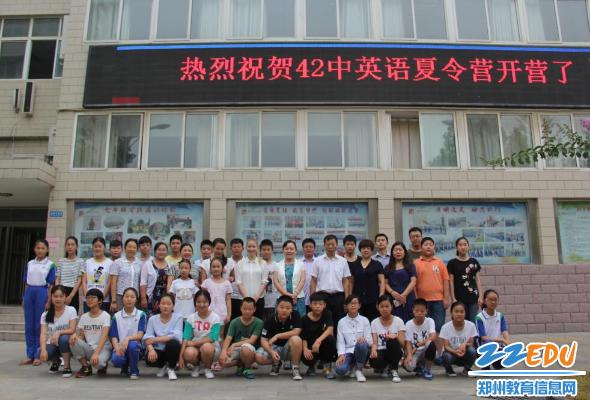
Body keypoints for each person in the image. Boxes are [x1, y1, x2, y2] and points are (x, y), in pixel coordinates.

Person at [21, 239, 56, 366]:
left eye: (43, 248)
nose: (40, 250)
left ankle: (37, 354)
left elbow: (51, 285)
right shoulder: (30, 263)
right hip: (30, 292)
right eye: (38, 248)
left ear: (47, 250)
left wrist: (49, 300)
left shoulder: (50, 264)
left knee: (38, 325)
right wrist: (24, 297)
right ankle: (29, 354)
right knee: (29, 325)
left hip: (42, 292)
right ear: (34, 249)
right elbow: (26, 281)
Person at [255, 295, 303, 380]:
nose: (284, 310)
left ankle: (295, 368)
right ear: (276, 307)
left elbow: (297, 331)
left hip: (289, 348)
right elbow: (263, 340)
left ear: (292, 309)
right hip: (275, 348)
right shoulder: (270, 319)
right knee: (259, 357)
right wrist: (271, 352)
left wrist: (277, 336)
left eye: (288, 308)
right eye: (281, 307)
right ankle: (276, 362)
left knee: (296, 339)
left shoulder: (295, 315)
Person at [179, 290, 223, 379]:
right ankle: (197, 366)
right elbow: (186, 338)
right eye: (199, 302)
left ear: (209, 302)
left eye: (204, 302)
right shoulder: (191, 318)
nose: (201, 304)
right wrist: (181, 356)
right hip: (196, 348)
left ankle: (207, 368)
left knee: (207, 347)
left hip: (212, 348)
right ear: (195, 303)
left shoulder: (215, 318)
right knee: (188, 353)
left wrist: (194, 343)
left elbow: (212, 338)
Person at [413, 237, 450, 340]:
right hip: (422, 301)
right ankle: (425, 348)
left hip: (438, 301)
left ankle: (438, 349)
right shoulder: (416, 263)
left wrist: (446, 298)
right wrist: (416, 299)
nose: (428, 247)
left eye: (430, 245)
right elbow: (413, 283)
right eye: (426, 245)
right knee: (424, 327)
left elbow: (446, 281)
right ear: (421, 248)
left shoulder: (440, 262)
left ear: (434, 247)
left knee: (439, 327)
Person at [70, 288, 112, 378]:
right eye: (88, 298)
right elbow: (81, 335)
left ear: (100, 301)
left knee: (98, 364)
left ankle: (103, 365)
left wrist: (96, 353)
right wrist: (76, 337)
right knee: (73, 340)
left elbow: (104, 336)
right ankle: (86, 366)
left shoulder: (105, 315)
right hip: (89, 347)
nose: (90, 300)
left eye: (93, 297)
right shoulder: (84, 317)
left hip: (103, 347)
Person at [310, 235, 351, 327]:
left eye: (332, 244)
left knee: (339, 321)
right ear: (324, 245)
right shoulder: (317, 260)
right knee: (322, 321)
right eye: (328, 244)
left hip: (338, 296)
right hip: (322, 296)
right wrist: (312, 298)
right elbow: (313, 280)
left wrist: (347, 298)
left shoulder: (343, 261)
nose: (330, 246)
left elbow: (345, 280)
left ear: (336, 245)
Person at [218, 297, 263, 379]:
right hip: (237, 350)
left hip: (251, 349)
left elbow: (252, 340)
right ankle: (240, 364)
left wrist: (234, 344)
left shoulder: (259, 322)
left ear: (254, 309)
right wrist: (223, 352)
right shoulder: (234, 322)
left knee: (245, 349)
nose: (247, 311)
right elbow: (228, 338)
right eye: (245, 309)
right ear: (241, 308)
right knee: (223, 362)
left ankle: (247, 368)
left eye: (250, 309)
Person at [39, 285, 77, 377]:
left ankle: (67, 366)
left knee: (63, 339)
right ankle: (56, 361)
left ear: (65, 297)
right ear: (51, 297)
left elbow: (72, 329)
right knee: (39, 352)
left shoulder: (71, 310)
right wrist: (43, 350)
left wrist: (58, 333)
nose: (58, 299)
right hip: (53, 344)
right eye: (55, 296)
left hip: (68, 344)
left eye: (61, 296)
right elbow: (43, 334)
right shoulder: (45, 314)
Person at [143, 293, 183, 380]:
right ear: (159, 305)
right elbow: (147, 338)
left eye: (168, 304)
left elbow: (176, 336)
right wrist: (151, 349)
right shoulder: (152, 319)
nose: (165, 306)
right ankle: (163, 366)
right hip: (159, 349)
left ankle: (171, 368)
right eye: (163, 303)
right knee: (149, 359)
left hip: (172, 349)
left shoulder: (178, 317)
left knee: (173, 343)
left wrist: (155, 339)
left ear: (173, 306)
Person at [109, 288, 147, 379]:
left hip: (136, 347)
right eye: (126, 297)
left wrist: (128, 338)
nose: (129, 299)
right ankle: (125, 367)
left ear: (136, 299)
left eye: (132, 297)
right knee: (116, 359)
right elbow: (114, 336)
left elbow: (140, 335)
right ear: (122, 298)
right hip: (121, 346)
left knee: (132, 346)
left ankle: (134, 371)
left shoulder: (141, 314)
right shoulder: (116, 316)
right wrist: (117, 348)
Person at [334, 294, 372, 382]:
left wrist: (364, 339)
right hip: (348, 352)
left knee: (362, 344)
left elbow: (369, 340)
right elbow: (340, 341)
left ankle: (359, 370)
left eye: (355, 303)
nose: (353, 305)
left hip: (362, 350)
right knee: (340, 370)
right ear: (346, 306)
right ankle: (352, 365)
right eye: (350, 303)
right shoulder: (341, 322)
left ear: (359, 305)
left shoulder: (365, 320)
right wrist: (341, 355)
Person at [369, 294, 405, 383]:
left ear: (391, 307)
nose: (384, 309)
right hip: (381, 351)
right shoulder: (374, 322)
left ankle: (394, 370)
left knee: (392, 341)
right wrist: (373, 350)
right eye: (382, 306)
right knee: (374, 361)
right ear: (377, 307)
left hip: (395, 351)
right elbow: (375, 342)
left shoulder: (398, 321)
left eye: (387, 306)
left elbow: (402, 344)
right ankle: (385, 367)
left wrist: (395, 336)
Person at [300, 292, 337, 379]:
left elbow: (330, 329)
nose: (317, 306)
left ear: (324, 305)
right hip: (310, 347)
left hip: (322, 345)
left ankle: (327, 368)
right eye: (315, 304)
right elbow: (303, 337)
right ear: (310, 305)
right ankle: (311, 366)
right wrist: (305, 349)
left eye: (320, 304)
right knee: (306, 355)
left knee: (331, 339)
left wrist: (318, 340)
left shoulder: (327, 314)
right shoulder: (304, 319)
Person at [447, 237, 483, 323]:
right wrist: (453, 298)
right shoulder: (452, 263)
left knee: (473, 322)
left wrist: (481, 296)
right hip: (459, 298)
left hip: (473, 297)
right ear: (457, 247)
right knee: (460, 322)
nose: (463, 247)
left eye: (465, 244)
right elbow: (451, 281)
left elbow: (478, 280)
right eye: (460, 245)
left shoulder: (474, 262)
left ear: (468, 246)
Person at [348, 239, 385, 322]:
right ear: (360, 250)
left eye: (368, 248)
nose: (366, 250)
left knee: (373, 321)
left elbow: (381, 282)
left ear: (371, 250)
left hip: (373, 299)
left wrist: (381, 296)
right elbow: (351, 282)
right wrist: (350, 297)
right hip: (358, 300)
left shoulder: (377, 264)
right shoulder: (354, 265)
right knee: (358, 321)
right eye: (363, 248)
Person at [439, 302, 479, 377]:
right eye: (456, 311)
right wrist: (455, 351)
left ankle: (467, 369)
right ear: (451, 313)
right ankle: (449, 370)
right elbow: (446, 346)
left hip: (465, 354)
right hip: (452, 354)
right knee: (446, 356)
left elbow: (471, 343)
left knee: (472, 351)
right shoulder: (445, 327)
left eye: (462, 312)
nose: (459, 314)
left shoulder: (471, 325)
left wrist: (464, 344)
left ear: (465, 313)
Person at [475, 289, 511, 370]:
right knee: (490, 346)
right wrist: (502, 340)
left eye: (495, 300)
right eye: (490, 300)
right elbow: (483, 337)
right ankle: (484, 364)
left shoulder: (500, 316)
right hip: (484, 346)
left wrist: (508, 341)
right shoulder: (479, 317)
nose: (493, 302)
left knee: (510, 355)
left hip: (497, 345)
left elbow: (504, 330)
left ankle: (496, 365)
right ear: (485, 301)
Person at [403, 298, 437, 380]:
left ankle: (427, 369)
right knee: (408, 366)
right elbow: (408, 342)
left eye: (422, 311)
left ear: (426, 311)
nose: (419, 313)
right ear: (413, 311)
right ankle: (419, 367)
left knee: (431, 343)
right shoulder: (408, 324)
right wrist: (409, 355)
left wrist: (418, 344)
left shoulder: (430, 321)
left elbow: (433, 336)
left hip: (425, 349)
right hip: (414, 352)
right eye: (417, 311)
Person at [235, 239, 268, 319]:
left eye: (253, 246)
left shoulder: (263, 263)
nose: (251, 249)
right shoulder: (240, 263)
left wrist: (256, 297)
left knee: (258, 322)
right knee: (244, 322)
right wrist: (247, 298)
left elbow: (264, 281)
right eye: (249, 246)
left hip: (259, 299)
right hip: (243, 299)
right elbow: (239, 282)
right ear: (246, 248)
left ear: (257, 248)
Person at [385, 242, 417, 322]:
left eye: (400, 250)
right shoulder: (388, 267)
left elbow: (413, 281)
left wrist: (403, 295)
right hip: (394, 298)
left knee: (410, 320)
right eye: (395, 250)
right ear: (392, 252)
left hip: (408, 297)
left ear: (404, 252)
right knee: (395, 321)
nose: (398, 252)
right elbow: (385, 283)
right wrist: (392, 292)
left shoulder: (410, 266)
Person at [274, 240, 306, 317]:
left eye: (291, 249)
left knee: (298, 319)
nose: (289, 251)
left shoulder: (301, 264)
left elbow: (302, 280)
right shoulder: (277, 265)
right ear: (283, 250)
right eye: (286, 249)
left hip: (298, 298)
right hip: (282, 298)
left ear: (295, 251)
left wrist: (295, 294)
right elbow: (276, 282)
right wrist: (287, 295)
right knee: (282, 319)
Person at [81, 237, 113, 312]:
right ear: (92, 248)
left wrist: (101, 298)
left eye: (100, 246)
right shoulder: (87, 262)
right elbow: (84, 281)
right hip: (88, 300)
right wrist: (87, 296)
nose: (97, 248)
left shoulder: (110, 263)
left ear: (104, 248)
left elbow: (109, 283)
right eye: (95, 246)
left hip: (104, 301)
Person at [110, 238, 142, 312]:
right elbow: (113, 282)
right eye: (129, 247)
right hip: (120, 296)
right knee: (120, 316)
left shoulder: (139, 263)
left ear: (137, 250)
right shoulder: (117, 262)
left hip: (134, 297)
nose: (131, 249)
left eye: (134, 247)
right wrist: (113, 300)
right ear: (125, 248)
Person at [140, 242, 171, 316]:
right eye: (159, 250)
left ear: (167, 252)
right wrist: (143, 298)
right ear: (155, 251)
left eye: (164, 250)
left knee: (164, 318)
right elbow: (143, 282)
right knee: (151, 318)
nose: (161, 252)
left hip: (165, 298)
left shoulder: (170, 265)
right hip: (151, 297)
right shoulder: (148, 264)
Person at [56, 236, 84, 313]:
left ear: (76, 246)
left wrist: (70, 296)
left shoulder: (80, 261)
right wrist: (58, 292)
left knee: (72, 315)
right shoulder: (61, 261)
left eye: (72, 244)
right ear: (65, 246)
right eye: (68, 244)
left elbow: (79, 280)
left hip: (73, 291)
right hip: (61, 291)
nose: (70, 247)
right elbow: (58, 278)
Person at [201, 257, 232, 324]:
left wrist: (229, 314)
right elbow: (203, 299)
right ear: (210, 269)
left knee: (221, 330)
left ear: (222, 268)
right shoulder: (206, 283)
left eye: (218, 266)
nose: (216, 268)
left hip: (222, 313)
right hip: (208, 312)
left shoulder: (227, 283)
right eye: (213, 267)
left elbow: (228, 300)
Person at [225, 238, 244, 320]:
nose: (236, 249)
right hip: (229, 297)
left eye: (239, 247)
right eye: (234, 247)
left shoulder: (246, 261)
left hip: (243, 296)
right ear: (230, 248)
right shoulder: (226, 261)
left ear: (243, 248)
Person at [260, 239, 279, 320]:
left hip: (273, 301)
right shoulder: (257, 265)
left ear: (272, 251)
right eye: (264, 250)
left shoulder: (276, 265)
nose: (266, 252)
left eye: (268, 249)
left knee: (271, 322)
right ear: (260, 251)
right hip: (259, 299)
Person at [300, 238, 316, 311]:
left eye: (311, 247)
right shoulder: (298, 263)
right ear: (303, 248)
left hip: (316, 299)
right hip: (301, 298)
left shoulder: (318, 262)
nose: (308, 249)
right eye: (306, 247)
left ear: (314, 248)